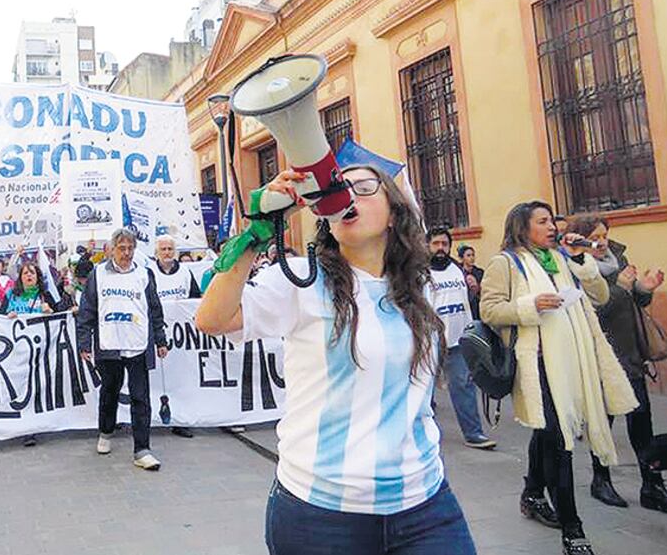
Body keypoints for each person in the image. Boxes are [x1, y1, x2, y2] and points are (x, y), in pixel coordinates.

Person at [196, 147, 476, 555]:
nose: (348, 196)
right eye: (340, 190)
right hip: (321, 514)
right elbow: (212, 319)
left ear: (395, 212)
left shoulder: (420, 286)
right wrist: (256, 233)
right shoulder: (302, 282)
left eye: (364, 188)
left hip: (424, 504)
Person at [480, 202, 638, 555]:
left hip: (573, 364)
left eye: (552, 220)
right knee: (559, 440)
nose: (552, 226)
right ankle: (573, 528)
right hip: (537, 367)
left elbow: (599, 296)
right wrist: (530, 306)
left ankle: (533, 493)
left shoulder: (563, 259)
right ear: (523, 227)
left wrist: (583, 260)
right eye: (543, 221)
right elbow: (489, 310)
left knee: (548, 432)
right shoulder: (505, 263)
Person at [568, 215, 667, 516]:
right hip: (602, 355)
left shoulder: (618, 258)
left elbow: (634, 302)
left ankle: (652, 484)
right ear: (580, 238)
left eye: (605, 234)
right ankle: (600, 479)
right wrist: (619, 287)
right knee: (603, 422)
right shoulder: (577, 267)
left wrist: (644, 288)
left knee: (642, 420)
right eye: (595, 235)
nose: (602, 240)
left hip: (630, 353)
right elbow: (594, 309)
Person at [77, 228, 168, 471]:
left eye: (130, 248)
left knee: (141, 397)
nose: (126, 253)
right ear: (112, 250)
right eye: (122, 248)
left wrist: (160, 340)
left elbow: (154, 309)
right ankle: (106, 432)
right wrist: (84, 342)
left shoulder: (144, 274)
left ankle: (142, 449)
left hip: (137, 344)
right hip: (109, 345)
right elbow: (87, 309)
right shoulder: (98, 274)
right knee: (110, 392)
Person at [426, 228, 496, 450]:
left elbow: (468, 300)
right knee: (422, 388)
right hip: (429, 342)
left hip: (458, 340)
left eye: (444, 244)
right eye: (435, 243)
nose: (440, 248)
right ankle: (421, 434)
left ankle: (473, 433)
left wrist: (474, 289)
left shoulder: (457, 269)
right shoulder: (421, 272)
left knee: (463, 385)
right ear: (427, 245)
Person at [0, 261, 63, 446]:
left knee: (34, 388)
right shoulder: (11, 295)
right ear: (20, 277)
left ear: (38, 277)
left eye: (32, 273)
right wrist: (6, 317)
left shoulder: (45, 295)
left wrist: (49, 311)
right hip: (15, 351)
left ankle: (31, 429)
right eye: (25, 273)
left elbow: (60, 317)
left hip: (39, 352)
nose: (28, 276)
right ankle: (19, 423)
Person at [150, 235, 201, 439]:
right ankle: (155, 416)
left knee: (181, 380)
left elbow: (196, 300)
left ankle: (180, 419)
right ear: (156, 253)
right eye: (163, 249)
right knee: (157, 379)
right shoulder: (149, 273)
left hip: (182, 338)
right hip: (159, 335)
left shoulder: (186, 273)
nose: (167, 253)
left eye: (170, 249)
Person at [457, 245, 484, 320]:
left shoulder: (480, 272)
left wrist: (477, 287)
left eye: (473, 255)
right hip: (464, 307)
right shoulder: (458, 273)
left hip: (478, 307)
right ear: (462, 258)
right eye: (468, 255)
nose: (472, 258)